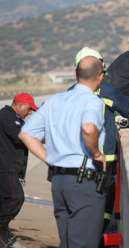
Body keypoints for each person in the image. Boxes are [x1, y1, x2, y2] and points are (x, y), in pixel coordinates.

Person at [19, 55, 107, 247]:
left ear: (76, 75)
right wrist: (97, 154)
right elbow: (89, 128)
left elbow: (26, 134)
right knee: (83, 242)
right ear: (100, 76)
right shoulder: (93, 101)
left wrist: (50, 159)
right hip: (84, 180)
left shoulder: (55, 101)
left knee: (66, 241)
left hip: (59, 181)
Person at [74, 47, 129, 233]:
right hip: (103, 160)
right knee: (102, 206)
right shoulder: (107, 90)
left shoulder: (70, 94)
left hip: (79, 163)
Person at [0, 93, 38, 246]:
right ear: (20, 105)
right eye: (29, 109)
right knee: (16, 198)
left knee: (4, 201)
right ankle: (1, 227)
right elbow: (22, 137)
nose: (29, 113)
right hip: (4, 168)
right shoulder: (7, 117)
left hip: (9, 168)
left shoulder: (15, 119)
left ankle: (3, 233)